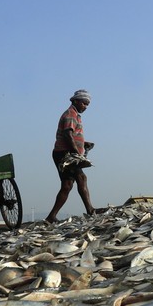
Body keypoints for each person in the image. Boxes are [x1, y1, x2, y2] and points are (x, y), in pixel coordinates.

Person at [44, 89, 96, 223]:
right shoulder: (70, 114)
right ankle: (90, 210)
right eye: (84, 103)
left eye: (87, 104)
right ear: (76, 101)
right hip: (65, 154)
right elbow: (67, 135)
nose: (85, 106)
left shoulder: (76, 115)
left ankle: (51, 216)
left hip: (67, 152)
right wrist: (76, 153)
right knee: (81, 178)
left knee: (67, 185)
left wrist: (83, 144)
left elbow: (72, 135)